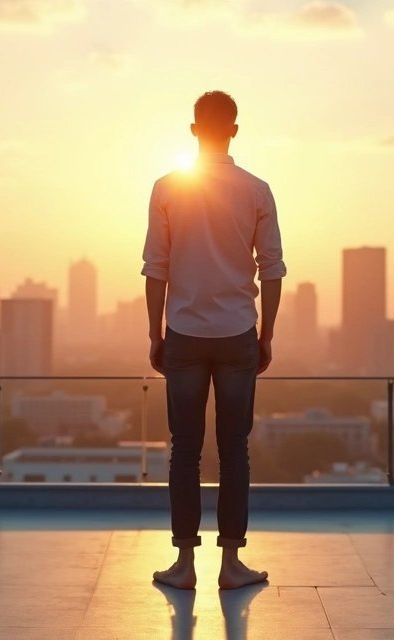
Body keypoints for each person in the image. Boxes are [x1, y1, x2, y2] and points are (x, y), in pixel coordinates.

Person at [141, 90, 285, 590]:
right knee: (234, 452)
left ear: (194, 129)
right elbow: (272, 270)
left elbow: (155, 268)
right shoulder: (257, 190)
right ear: (235, 130)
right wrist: (265, 337)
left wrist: (155, 333)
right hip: (236, 335)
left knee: (184, 450)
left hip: (182, 332)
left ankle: (183, 565)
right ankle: (230, 566)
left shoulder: (166, 188)